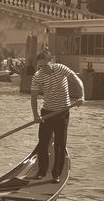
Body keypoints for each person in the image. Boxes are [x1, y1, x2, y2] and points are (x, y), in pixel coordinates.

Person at [30, 50, 85, 182]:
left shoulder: (61, 69)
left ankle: (56, 174)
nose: (43, 69)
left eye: (45, 66)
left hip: (62, 112)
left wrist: (81, 96)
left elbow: (77, 80)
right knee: (43, 143)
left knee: (60, 144)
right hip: (47, 113)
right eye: (40, 66)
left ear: (52, 62)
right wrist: (36, 115)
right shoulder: (38, 76)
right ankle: (42, 171)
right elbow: (33, 97)